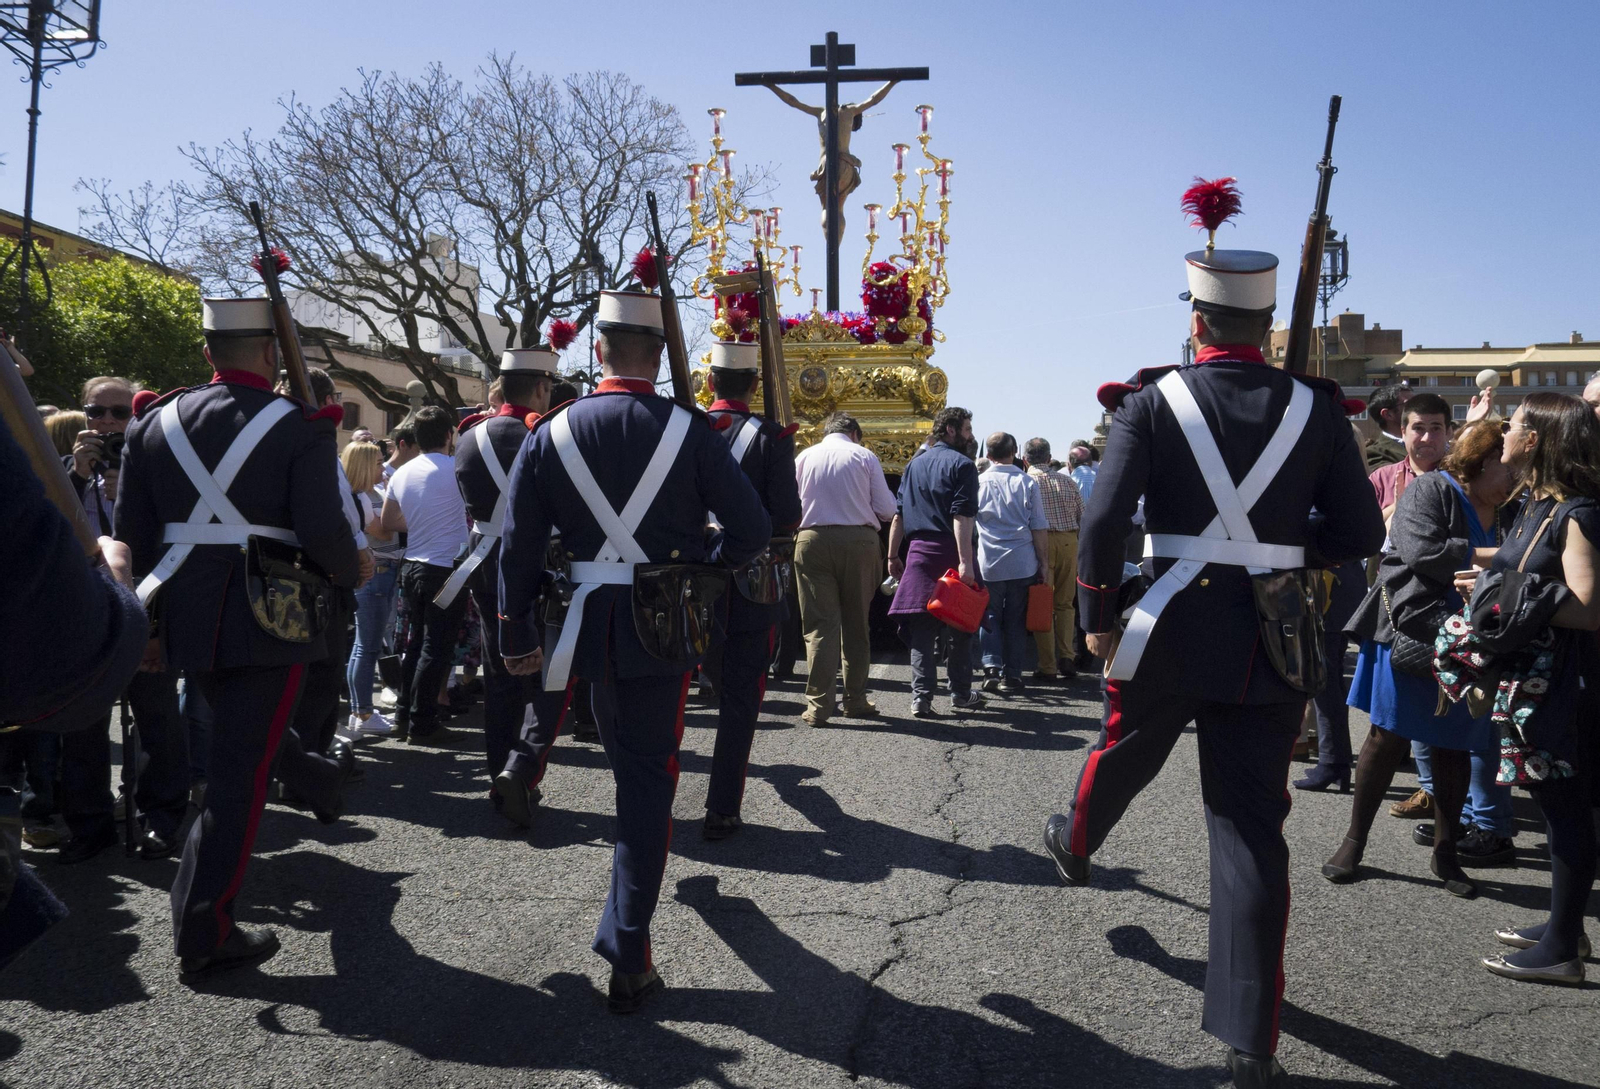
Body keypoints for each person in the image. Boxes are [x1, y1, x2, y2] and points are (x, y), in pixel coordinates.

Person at [1043, 202, 1384, 1087]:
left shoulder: (1149, 401)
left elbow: (1105, 521)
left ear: (1197, 321)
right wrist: (1282, 548)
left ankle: (1076, 836)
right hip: (1272, 636)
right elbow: (1358, 531)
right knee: (1249, 833)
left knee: (1123, 746)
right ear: (1267, 327)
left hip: (1167, 623)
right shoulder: (1317, 409)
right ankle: (1250, 1042)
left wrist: (1095, 613)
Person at [496, 287, 769, 1013]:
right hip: (662, 625)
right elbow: (750, 530)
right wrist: (702, 566)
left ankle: (627, 935)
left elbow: (518, 546)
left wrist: (514, 631)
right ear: (659, 354)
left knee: (631, 772)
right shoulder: (691, 430)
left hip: (583, 625)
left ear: (600, 351)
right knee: (646, 784)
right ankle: (628, 949)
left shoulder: (551, 430)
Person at [115, 296, 364, 981]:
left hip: (183, 611)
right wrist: (353, 570)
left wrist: (147, 626)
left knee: (242, 742)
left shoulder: (152, 421)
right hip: (271, 615)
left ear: (208, 353)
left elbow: (130, 537)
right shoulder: (301, 425)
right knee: (238, 776)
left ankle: (315, 775)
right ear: (271, 352)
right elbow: (322, 530)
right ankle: (207, 927)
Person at [1321, 420, 1518, 898]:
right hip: (1411, 634)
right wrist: (1498, 556)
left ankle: (1446, 854)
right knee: (1386, 738)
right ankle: (1354, 841)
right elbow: (1420, 551)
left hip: (1472, 641)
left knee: (1454, 745)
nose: (1516, 482)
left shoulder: (1512, 507)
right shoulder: (1433, 489)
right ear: (1481, 460)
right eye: (1510, 470)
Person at [1462, 395, 1600, 983]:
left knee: (1567, 810)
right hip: (1541, 680)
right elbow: (1526, 568)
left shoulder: (1579, 512)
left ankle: (1563, 951)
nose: (1503, 432)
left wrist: (1504, 594)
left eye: (1513, 424)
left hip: (1566, 686)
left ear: (1536, 439)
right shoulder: (1541, 503)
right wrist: (1486, 573)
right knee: (1556, 806)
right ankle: (1565, 926)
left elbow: (1588, 608)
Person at [447, 343, 568, 826]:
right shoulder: (544, 435)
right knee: (545, 674)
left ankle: (499, 776)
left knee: (500, 675)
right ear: (540, 387)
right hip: (537, 562)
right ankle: (521, 772)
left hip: (482, 560)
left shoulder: (467, 436)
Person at [700, 339, 801, 839]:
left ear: (709, 381)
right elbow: (787, 517)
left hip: (686, 580)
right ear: (754, 385)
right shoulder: (771, 438)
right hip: (749, 583)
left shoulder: (683, 429)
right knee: (740, 703)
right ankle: (722, 808)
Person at [1364, 393, 1452, 819]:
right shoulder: (1383, 477)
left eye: (1437, 428)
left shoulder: (1460, 478)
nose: (1427, 438)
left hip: (1449, 606)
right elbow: (1364, 534)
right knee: (1394, 715)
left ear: (1449, 433)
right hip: (1392, 606)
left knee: (1449, 711)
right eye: (1418, 428)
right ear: (1402, 431)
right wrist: (1399, 509)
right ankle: (1427, 788)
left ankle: (1449, 800)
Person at [792, 411, 897, 727]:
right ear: (854, 433)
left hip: (811, 540)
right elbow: (887, 510)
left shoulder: (804, 456)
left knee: (820, 626)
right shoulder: (864, 456)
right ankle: (855, 700)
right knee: (856, 624)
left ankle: (818, 706)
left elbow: (790, 506)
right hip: (859, 542)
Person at [886, 406, 985, 719]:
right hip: (952, 554)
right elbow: (962, 516)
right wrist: (966, 563)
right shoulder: (963, 465)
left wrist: (892, 555)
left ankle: (921, 698)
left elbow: (899, 515)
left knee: (921, 632)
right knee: (960, 628)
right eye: (967, 429)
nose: (971, 436)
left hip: (918, 554)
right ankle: (960, 694)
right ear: (951, 430)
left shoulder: (914, 464)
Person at [381, 405, 469, 745]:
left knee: (417, 643)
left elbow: (388, 521)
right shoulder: (456, 468)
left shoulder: (401, 472)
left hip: (412, 564)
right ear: (449, 435)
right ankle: (422, 721)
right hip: (445, 567)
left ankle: (404, 714)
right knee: (437, 647)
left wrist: (422, 521)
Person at [976, 432, 1049, 693]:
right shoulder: (1027, 482)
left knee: (990, 615)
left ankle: (991, 666)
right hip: (1021, 560)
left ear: (988, 455)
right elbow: (1038, 526)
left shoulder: (979, 482)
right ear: (1015, 451)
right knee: (1016, 619)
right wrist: (1043, 562)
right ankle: (1013, 674)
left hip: (990, 560)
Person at [343, 439, 399, 736]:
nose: (383, 467)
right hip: (376, 574)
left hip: (382, 572)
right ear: (364, 466)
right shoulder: (359, 497)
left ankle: (360, 711)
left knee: (363, 646)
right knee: (367, 646)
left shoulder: (371, 493)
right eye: (378, 463)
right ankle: (363, 712)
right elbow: (384, 531)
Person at [1023, 437, 1085, 681]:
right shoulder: (1067, 481)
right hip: (1069, 541)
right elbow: (1082, 515)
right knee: (1065, 603)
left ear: (1025, 459)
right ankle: (1067, 655)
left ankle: (1047, 665)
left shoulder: (1026, 481)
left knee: (1042, 603)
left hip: (1039, 543)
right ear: (1049, 458)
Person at [1363, 382, 1413, 470]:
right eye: (1410, 404)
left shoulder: (1433, 440)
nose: (1419, 408)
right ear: (1388, 414)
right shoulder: (1375, 453)